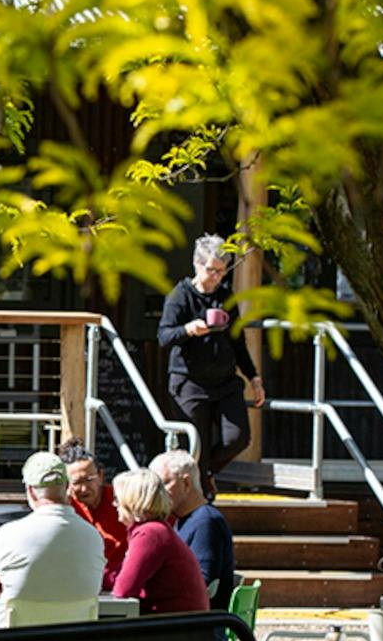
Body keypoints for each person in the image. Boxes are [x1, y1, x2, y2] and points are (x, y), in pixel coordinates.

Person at [157, 234, 266, 496]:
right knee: (197, 445)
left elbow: (238, 342)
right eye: (211, 270)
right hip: (189, 383)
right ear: (197, 264)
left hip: (225, 382)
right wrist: (188, 329)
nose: (216, 276)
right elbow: (164, 336)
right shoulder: (180, 296)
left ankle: (205, 474)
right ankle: (201, 496)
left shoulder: (226, 296)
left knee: (237, 438)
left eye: (221, 271)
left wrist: (254, 378)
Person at [0, 451, 105, 628]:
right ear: (67, 486)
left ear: (30, 491)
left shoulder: (8, 534)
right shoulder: (93, 537)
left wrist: (0, 576)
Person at [108, 468, 211, 615]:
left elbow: (123, 590)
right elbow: (120, 578)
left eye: (118, 499)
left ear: (131, 501)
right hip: (182, 622)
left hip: (175, 625)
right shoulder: (157, 530)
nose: (114, 504)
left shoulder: (150, 534)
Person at [154, 449, 236, 612]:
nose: (157, 493)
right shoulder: (184, 519)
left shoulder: (206, 522)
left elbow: (204, 584)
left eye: (163, 484)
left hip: (199, 622)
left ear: (186, 483)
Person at [61, 438, 126, 579]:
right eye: (76, 482)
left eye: (89, 480)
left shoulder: (122, 500)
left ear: (101, 476)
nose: (84, 489)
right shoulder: (66, 508)